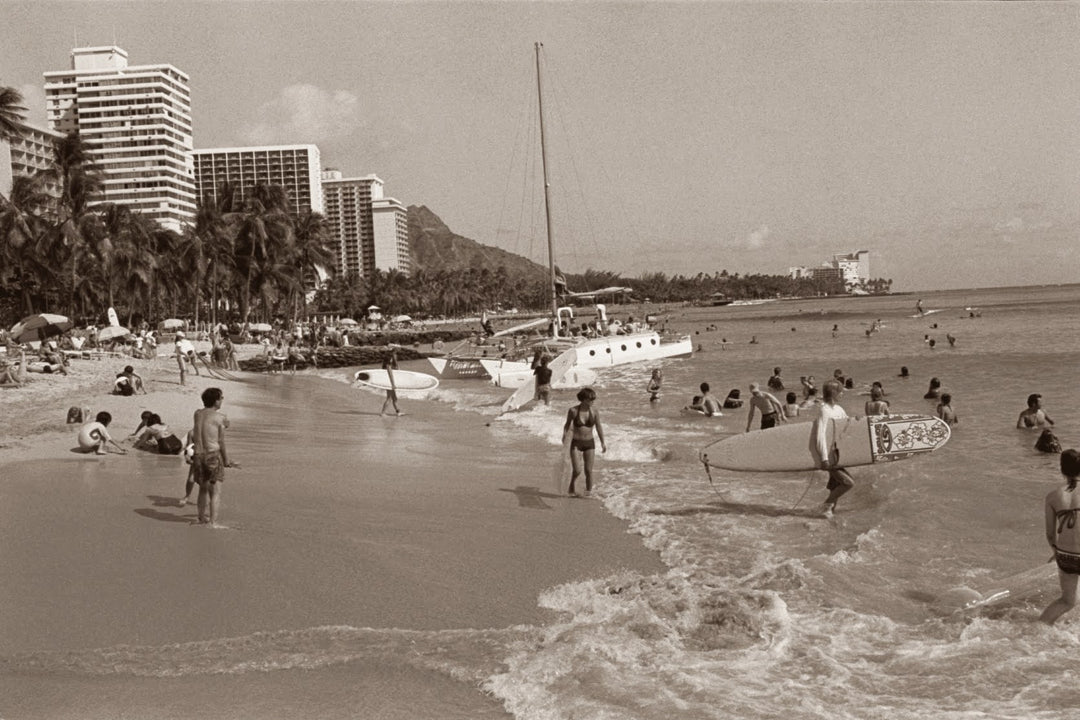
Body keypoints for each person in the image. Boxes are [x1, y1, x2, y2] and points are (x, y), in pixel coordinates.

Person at [1040, 450, 1080, 624]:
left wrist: (1056, 551)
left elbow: (1050, 534)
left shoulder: (1052, 496)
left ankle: (1039, 627)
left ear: (1062, 470)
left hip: (1065, 556)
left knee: (1067, 601)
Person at [192, 387, 235, 526]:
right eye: (221, 398)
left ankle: (201, 518)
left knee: (202, 489)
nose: (222, 400)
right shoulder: (221, 417)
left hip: (198, 455)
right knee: (215, 491)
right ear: (216, 401)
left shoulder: (197, 413)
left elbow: (205, 423)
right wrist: (226, 460)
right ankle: (213, 522)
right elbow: (221, 441)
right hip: (212, 455)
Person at [816, 380, 854, 518]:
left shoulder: (839, 409)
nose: (842, 394)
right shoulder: (824, 410)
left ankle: (829, 513)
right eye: (841, 391)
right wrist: (824, 458)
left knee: (835, 485)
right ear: (833, 393)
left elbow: (847, 426)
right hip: (830, 455)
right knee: (848, 483)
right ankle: (825, 505)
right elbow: (820, 435)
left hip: (839, 453)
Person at [562, 387, 606, 497]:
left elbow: (599, 427)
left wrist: (602, 442)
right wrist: (564, 436)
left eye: (593, 399)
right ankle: (571, 485)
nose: (593, 401)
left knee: (588, 471)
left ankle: (588, 493)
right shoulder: (573, 411)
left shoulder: (594, 411)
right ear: (584, 399)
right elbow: (567, 425)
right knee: (577, 470)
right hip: (576, 443)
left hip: (589, 443)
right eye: (590, 399)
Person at [380, 351, 402, 416]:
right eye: (394, 355)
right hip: (389, 382)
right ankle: (383, 413)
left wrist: (397, 365)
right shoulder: (388, 364)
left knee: (394, 398)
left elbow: (396, 371)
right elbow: (390, 374)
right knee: (389, 398)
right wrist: (393, 384)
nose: (396, 357)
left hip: (389, 382)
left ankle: (398, 412)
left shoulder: (389, 364)